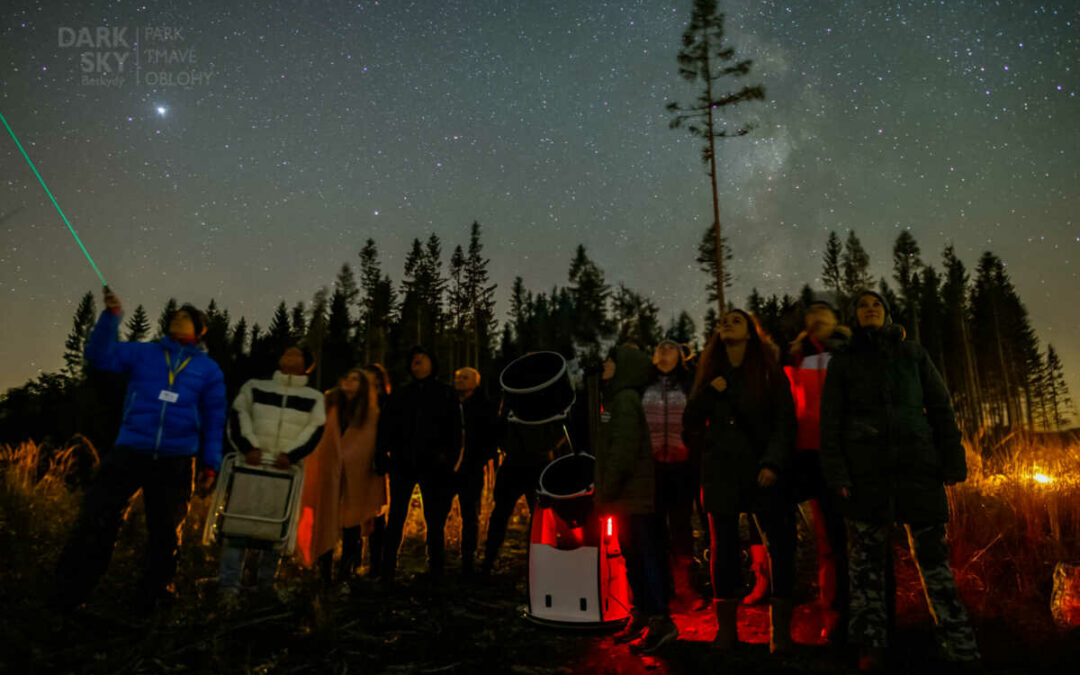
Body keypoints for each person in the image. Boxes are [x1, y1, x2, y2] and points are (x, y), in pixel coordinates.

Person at [819, 291, 980, 671]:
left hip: (918, 471)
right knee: (866, 570)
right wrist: (838, 473)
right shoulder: (843, 362)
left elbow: (940, 408)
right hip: (866, 475)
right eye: (862, 306)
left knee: (934, 564)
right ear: (855, 318)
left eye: (876, 305)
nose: (870, 309)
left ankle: (958, 644)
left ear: (887, 314)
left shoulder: (913, 355)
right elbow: (831, 424)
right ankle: (871, 645)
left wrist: (952, 459)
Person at [53, 288, 225, 615]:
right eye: (175, 315)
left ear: (200, 330)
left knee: (164, 535)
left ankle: (151, 606)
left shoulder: (209, 370)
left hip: (176, 459)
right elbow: (100, 356)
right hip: (130, 450)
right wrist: (111, 317)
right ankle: (67, 598)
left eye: (185, 317)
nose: (177, 318)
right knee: (97, 520)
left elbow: (215, 418)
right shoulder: (144, 353)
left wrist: (210, 463)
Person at [683, 309, 798, 654]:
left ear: (751, 331)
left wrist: (773, 463)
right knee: (723, 550)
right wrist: (709, 396)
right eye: (723, 320)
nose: (727, 322)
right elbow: (690, 420)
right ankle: (727, 633)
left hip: (762, 471)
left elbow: (784, 421)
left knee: (781, 545)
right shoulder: (710, 374)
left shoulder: (767, 371)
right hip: (720, 473)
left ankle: (780, 634)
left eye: (737, 319)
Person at [220, 345, 325, 605]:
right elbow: (238, 415)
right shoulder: (255, 387)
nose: (289, 356)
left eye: (297, 354)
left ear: (307, 364)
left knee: (277, 527)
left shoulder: (314, 398)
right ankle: (229, 587)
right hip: (251, 465)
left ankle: (265, 585)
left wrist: (291, 455)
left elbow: (315, 430)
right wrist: (249, 447)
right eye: (286, 352)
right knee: (237, 524)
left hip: (284, 471)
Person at [599, 345, 679, 655]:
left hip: (634, 495)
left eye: (611, 360)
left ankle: (661, 620)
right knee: (633, 556)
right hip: (627, 497)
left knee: (647, 556)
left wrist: (606, 490)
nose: (605, 364)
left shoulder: (626, 400)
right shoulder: (617, 398)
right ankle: (643, 614)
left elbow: (623, 450)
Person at [782, 300, 852, 642]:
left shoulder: (851, 352)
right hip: (810, 457)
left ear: (835, 320)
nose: (817, 321)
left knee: (854, 540)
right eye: (812, 317)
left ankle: (865, 616)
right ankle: (835, 616)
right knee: (828, 541)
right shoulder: (796, 356)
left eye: (824, 315)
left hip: (850, 456)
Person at [297, 367, 385, 589]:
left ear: (363, 385)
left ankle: (346, 571)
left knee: (352, 519)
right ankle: (324, 570)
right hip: (328, 470)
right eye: (346, 376)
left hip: (359, 473)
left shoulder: (371, 412)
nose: (349, 381)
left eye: (355, 379)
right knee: (325, 516)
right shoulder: (329, 406)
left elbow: (369, 443)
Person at [378, 346, 461, 581]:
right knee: (396, 517)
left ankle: (436, 569)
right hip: (403, 465)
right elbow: (387, 427)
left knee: (434, 520)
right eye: (414, 360)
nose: (417, 363)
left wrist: (449, 460)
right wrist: (384, 455)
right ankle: (387, 569)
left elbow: (455, 431)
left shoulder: (445, 393)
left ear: (432, 363)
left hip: (434, 467)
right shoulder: (402, 394)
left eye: (422, 360)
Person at [480, 402, 567, 576]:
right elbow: (500, 426)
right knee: (506, 514)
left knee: (537, 517)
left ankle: (492, 561)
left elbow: (560, 428)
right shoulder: (523, 400)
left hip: (531, 462)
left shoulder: (523, 398)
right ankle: (491, 560)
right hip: (522, 462)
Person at [642, 339, 697, 606]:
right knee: (653, 529)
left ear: (681, 356)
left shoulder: (689, 384)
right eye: (659, 347)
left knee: (681, 526)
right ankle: (661, 588)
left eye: (670, 347)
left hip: (682, 467)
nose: (663, 350)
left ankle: (687, 586)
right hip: (651, 467)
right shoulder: (643, 385)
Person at [452, 367, 498, 576]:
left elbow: (491, 436)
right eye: (458, 377)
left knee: (470, 514)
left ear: (476, 382)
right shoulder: (449, 404)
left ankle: (468, 560)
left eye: (465, 377)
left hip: (471, 468)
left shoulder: (484, 406)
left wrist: (480, 459)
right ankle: (437, 559)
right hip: (447, 468)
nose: (460, 380)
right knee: (438, 512)